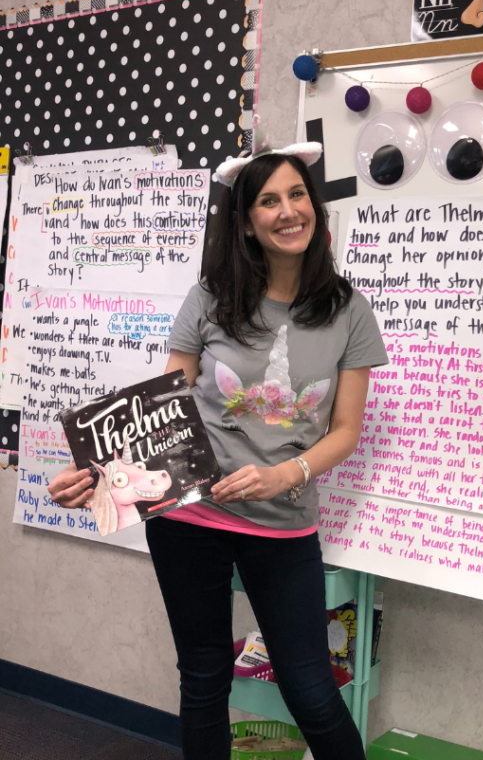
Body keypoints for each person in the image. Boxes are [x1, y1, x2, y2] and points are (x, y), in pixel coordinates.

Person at [47, 139, 388, 760]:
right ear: (248, 222)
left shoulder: (348, 311)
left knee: (310, 687)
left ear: (315, 205)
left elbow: (345, 430)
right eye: (268, 200)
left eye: (297, 194)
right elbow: (163, 410)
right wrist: (94, 472)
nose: (288, 211)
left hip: (283, 525)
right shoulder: (210, 297)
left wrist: (286, 472)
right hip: (189, 517)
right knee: (203, 678)